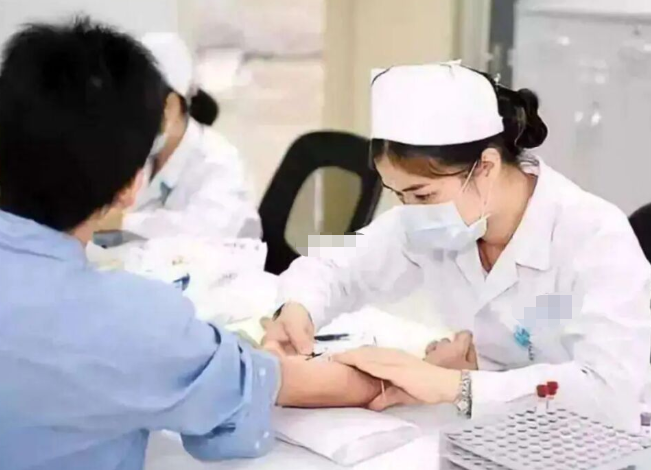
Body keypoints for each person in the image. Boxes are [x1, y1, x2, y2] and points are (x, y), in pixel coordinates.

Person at [0, 19, 382, 470]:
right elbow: (265, 383)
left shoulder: (217, 160)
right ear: (129, 186)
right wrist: (395, 379)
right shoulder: (133, 321)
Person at [263, 62, 651, 426]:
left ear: (486, 167)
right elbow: (335, 265)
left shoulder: (594, 237)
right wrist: (298, 308)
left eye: (422, 194)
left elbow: (609, 393)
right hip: (490, 429)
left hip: (595, 441)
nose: (410, 210)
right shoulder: (434, 221)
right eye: (399, 195)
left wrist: (454, 385)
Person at [118, 32, 261, 240]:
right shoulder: (142, 154)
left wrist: (119, 222)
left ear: (172, 106)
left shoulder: (220, 163)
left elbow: (201, 233)